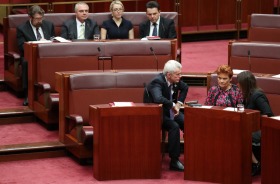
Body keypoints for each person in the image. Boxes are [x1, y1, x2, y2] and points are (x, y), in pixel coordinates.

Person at [143, 60, 188, 171]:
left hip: (170, 111)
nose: (180, 76)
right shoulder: (157, 82)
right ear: (169, 75)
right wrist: (173, 105)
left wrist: (179, 104)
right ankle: (174, 160)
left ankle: (194, 152)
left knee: (188, 122)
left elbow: (185, 87)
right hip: (157, 114)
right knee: (174, 127)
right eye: (178, 74)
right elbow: (158, 98)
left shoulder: (175, 80)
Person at [237, 71, 274, 176]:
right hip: (252, 128)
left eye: (239, 82)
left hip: (264, 129)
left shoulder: (258, 96)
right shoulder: (247, 94)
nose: (237, 85)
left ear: (244, 84)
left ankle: (256, 163)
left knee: (241, 136)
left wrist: (253, 121)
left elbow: (268, 114)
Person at [17, 5, 55, 106]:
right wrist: (36, 44)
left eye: (41, 18)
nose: (40, 21)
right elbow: (21, 46)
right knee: (25, 63)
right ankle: (27, 94)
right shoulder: (22, 28)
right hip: (30, 55)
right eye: (37, 19)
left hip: (47, 54)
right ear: (30, 17)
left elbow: (53, 40)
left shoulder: (49, 25)